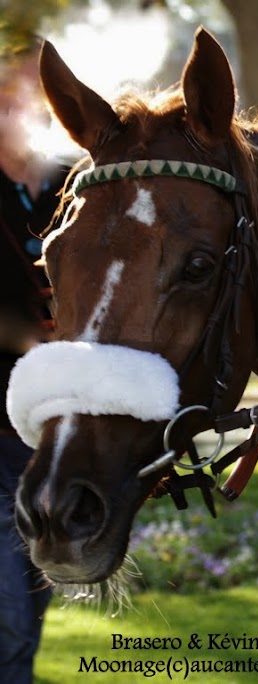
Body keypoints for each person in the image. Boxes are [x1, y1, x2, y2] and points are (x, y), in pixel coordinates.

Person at [0, 42, 69, 683]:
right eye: (15, 99)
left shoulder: (69, 187)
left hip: (45, 437)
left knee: (31, 606)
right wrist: (31, 345)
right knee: (11, 629)